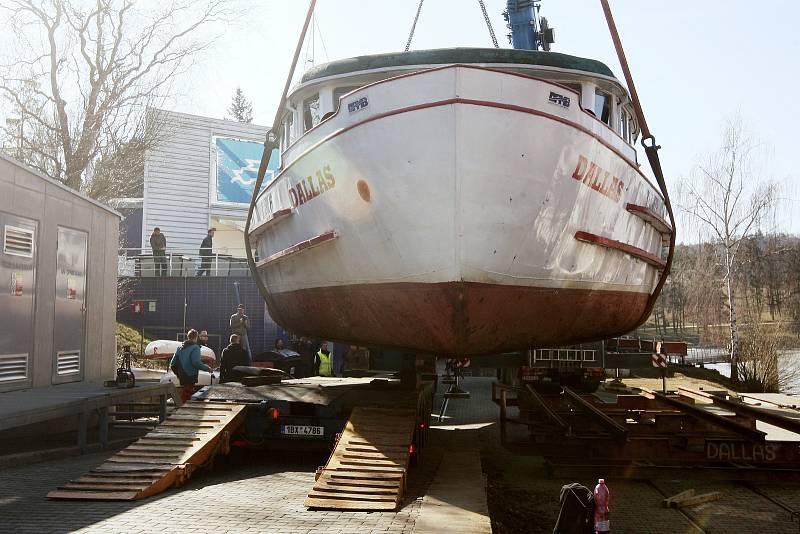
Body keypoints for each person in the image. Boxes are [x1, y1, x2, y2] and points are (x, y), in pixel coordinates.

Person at [169, 329, 211, 402]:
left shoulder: (179, 348)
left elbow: (172, 364)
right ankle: (182, 410)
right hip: (191, 375)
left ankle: (180, 408)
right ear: (196, 337)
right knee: (187, 396)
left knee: (185, 394)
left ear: (188, 337)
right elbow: (196, 363)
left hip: (182, 375)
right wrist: (207, 368)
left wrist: (178, 374)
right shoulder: (195, 348)